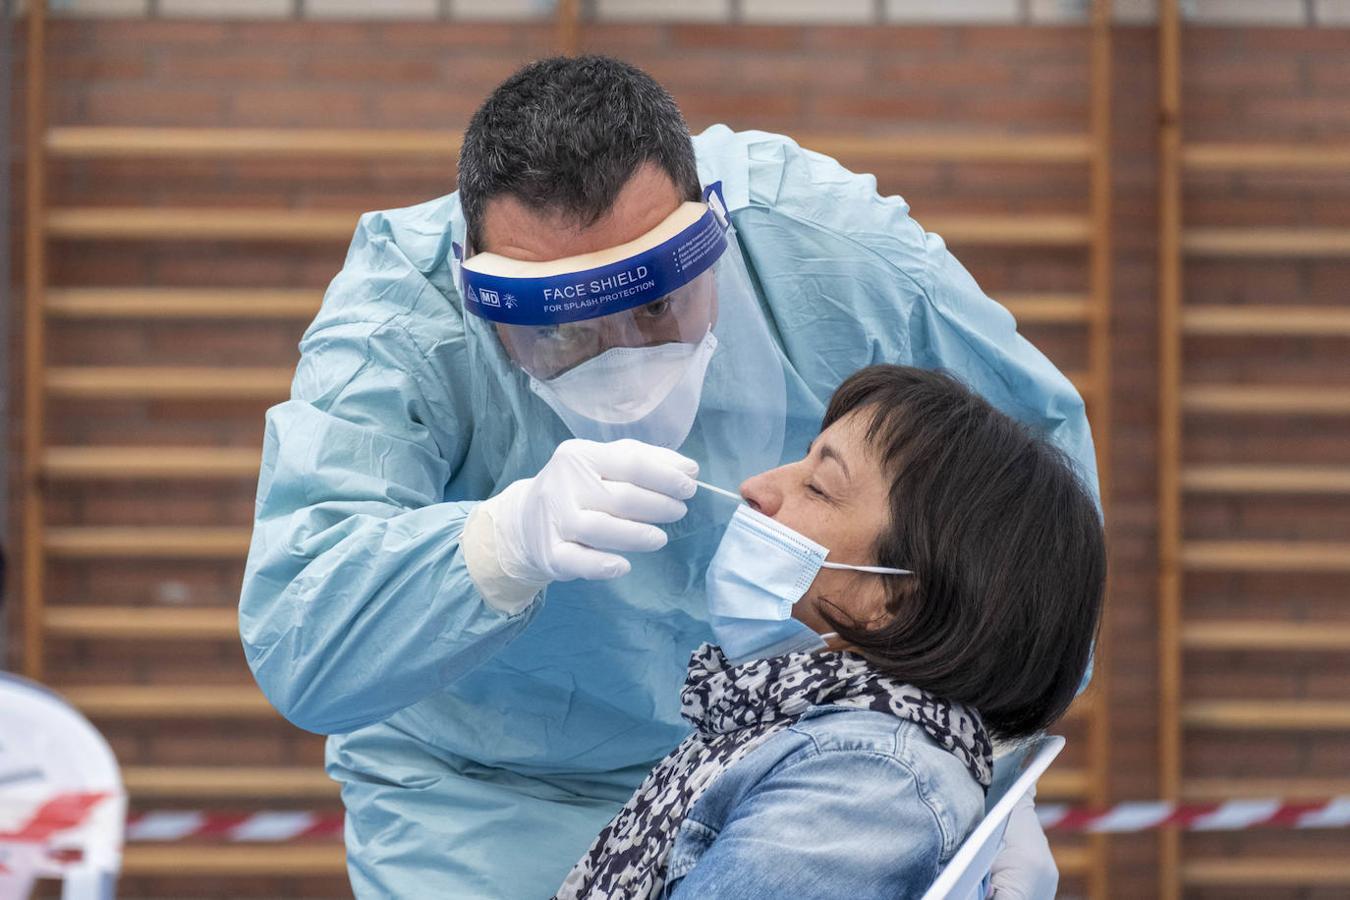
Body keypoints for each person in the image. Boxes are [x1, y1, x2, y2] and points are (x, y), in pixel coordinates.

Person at [239, 56, 1096, 898]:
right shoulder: (402, 320)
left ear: (711, 228)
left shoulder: (834, 253)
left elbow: (1025, 521)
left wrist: (993, 750)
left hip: (791, 746)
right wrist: (498, 547)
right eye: (562, 332)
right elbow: (300, 637)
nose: (621, 359)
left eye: (655, 304)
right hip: (487, 786)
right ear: (481, 295)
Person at [555, 365, 1105, 899]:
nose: (755, 486)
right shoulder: (790, 724)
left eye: (818, 487)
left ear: (893, 598)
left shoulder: (871, 779)